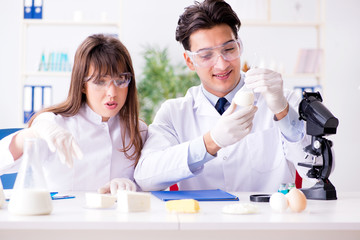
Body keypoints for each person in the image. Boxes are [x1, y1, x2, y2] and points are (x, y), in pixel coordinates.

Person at [134, 0, 311, 192]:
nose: (222, 64)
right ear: (190, 61)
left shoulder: (283, 100)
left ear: (239, 46)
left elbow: (318, 167)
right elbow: (146, 177)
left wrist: (283, 111)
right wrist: (211, 142)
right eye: (206, 55)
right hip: (203, 221)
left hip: (270, 219)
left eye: (228, 49)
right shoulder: (174, 113)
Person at [0, 34, 147, 194]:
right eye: (100, 82)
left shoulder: (139, 131)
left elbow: (150, 187)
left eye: (121, 80)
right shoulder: (55, 125)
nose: (112, 92)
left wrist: (132, 186)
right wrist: (32, 134)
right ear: (82, 85)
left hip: (114, 218)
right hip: (60, 217)